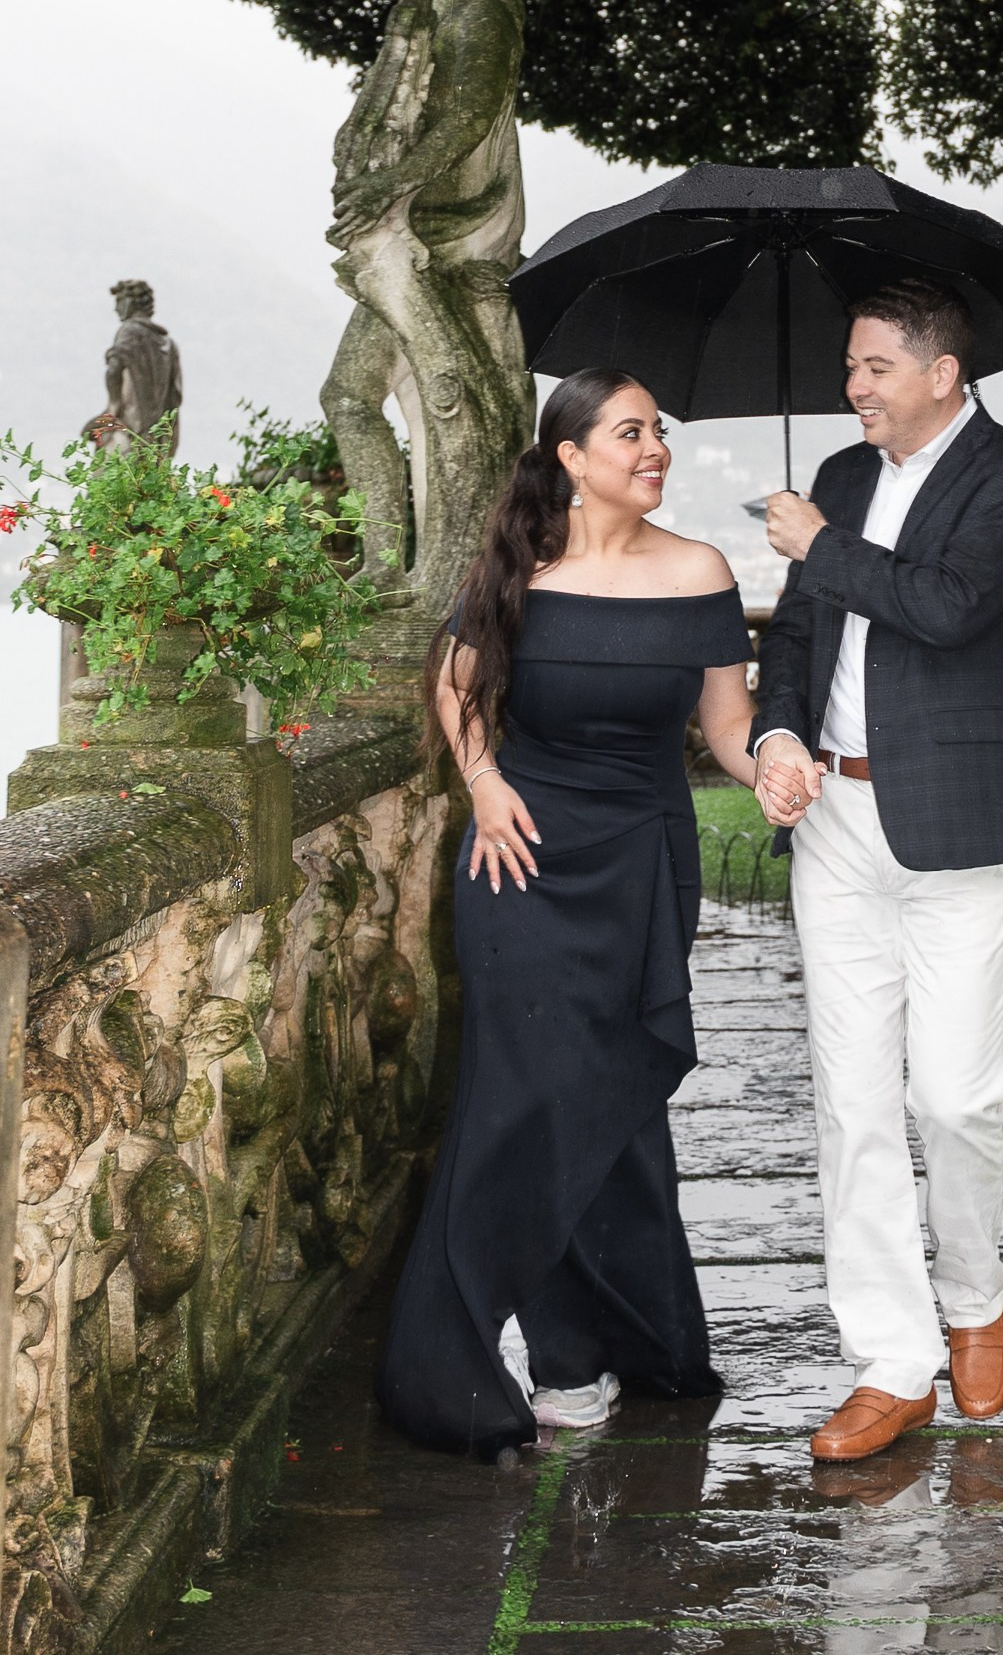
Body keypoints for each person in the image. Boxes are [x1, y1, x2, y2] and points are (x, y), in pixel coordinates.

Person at [377, 369, 761, 1456]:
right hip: (518, 860)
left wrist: (772, 760)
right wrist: (484, 780)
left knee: (617, 1101)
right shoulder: (519, 566)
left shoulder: (701, 570)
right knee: (525, 1098)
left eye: (659, 432)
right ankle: (543, 1357)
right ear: (570, 457)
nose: (655, 449)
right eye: (631, 432)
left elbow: (728, 725)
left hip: (641, 863)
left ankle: (628, 1343)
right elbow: (453, 683)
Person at [751, 281, 1003, 1462]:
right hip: (835, 817)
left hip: (963, 826)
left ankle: (975, 1293)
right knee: (852, 1099)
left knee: (956, 1095)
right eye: (848, 365)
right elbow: (793, 635)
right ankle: (891, 1359)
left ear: (941, 371)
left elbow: (948, 608)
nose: (854, 386)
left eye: (873, 364)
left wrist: (821, 548)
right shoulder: (832, 477)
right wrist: (779, 738)